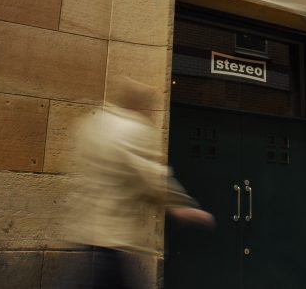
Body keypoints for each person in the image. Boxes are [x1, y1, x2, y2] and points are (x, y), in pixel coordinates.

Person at [65, 77, 214, 288]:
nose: (152, 113)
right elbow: (152, 177)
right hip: (112, 235)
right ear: (140, 106)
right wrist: (179, 206)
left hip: (88, 231)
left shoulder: (95, 123)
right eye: (151, 107)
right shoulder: (134, 130)